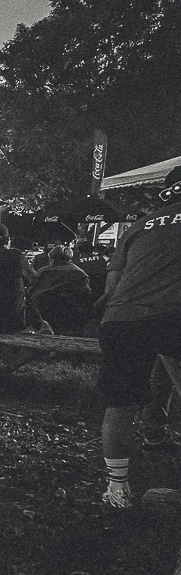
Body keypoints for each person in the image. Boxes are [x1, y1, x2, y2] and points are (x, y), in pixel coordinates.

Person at [96, 169, 181, 508]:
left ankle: (117, 491)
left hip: (124, 319)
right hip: (174, 313)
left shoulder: (140, 225)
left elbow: (111, 288)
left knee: (118, 408)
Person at [28, 245, 91, 335]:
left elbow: (32, 291)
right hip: (71, 314)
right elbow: (86, 295)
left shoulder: (43, 272)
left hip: (46, 313)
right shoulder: (79, 273)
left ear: (52, 259)